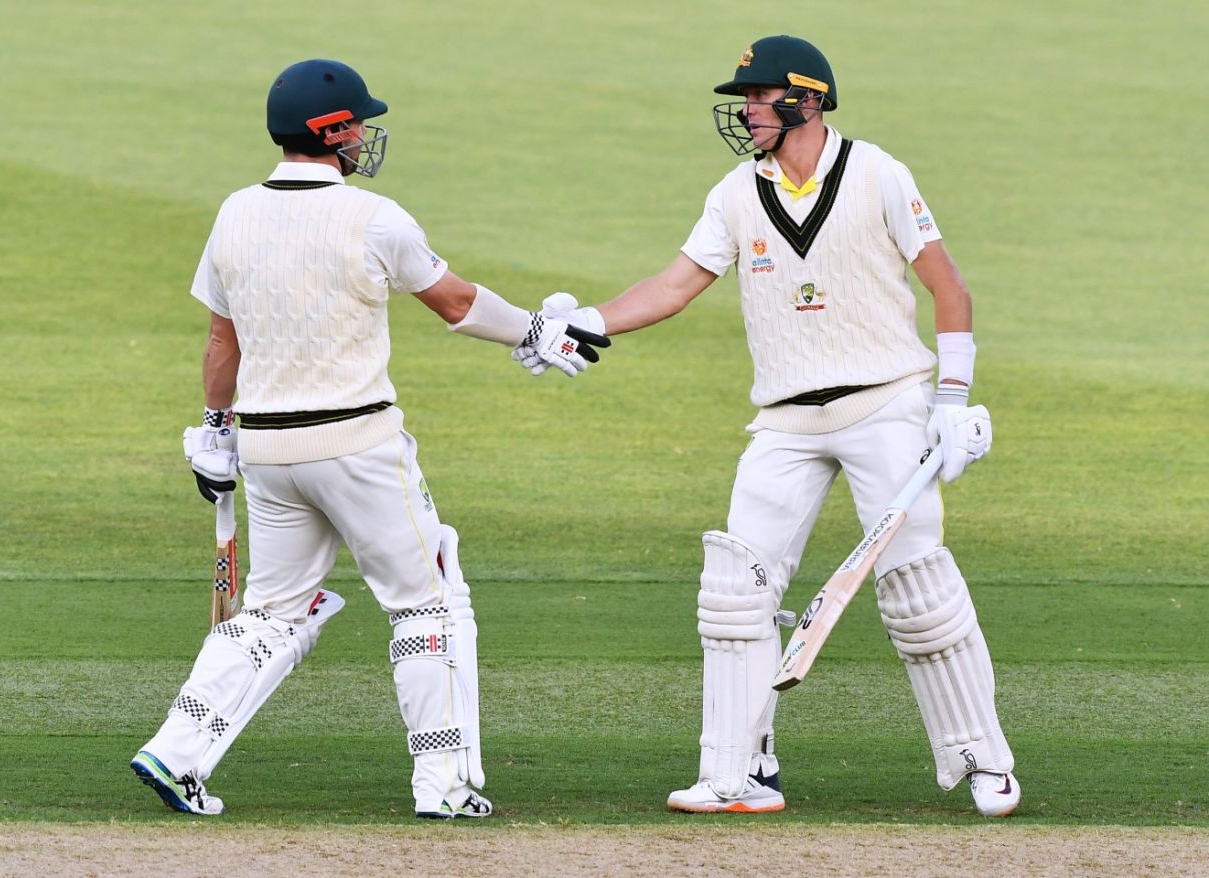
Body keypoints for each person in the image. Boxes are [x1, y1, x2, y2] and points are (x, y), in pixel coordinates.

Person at [518, 34, 1018, 817]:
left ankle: (983, 761)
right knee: (735, 590)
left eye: (756, 96)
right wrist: (587, 321)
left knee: (917, 587)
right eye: (744, 98)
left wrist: (951, 401)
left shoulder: (878, 173)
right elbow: (677, 283)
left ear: (807, 100)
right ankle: (738, 773)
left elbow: (948, 289)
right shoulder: (734, 193)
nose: (744, 109)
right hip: (785, 420)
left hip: (886, 402)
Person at [130, 58, 607, 820]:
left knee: (274, 615)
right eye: (356, 123)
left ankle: (176, 752)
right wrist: (536, 330)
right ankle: (443, 787)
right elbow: (453, 303)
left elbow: (223, 343)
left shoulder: (233, 214)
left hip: (268, 454)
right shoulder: (374, 217)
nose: (364, 134)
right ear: (329, 132)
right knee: (427, 603)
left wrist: (215, 430)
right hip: (357, 444)